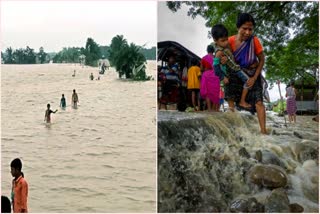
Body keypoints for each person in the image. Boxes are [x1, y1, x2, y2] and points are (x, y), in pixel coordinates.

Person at [223, 13, 267, 134]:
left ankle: (263, 131)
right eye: (244, 28)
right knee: (229, 82)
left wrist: (254, 77)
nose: (248, 32)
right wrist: (224, 76)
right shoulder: (230, 41)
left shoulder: (255, 41)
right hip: (238, 74)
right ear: (238, 27)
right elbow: (227, 61)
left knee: (259, 102)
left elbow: (262, 60)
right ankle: (232, 128)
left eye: (250, 29)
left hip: (253, 73)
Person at [212, 24, 252, 109]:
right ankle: (242, 101)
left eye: (227, 39)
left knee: (247, 84)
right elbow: (215, 67)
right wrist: (223, 77)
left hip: (236, 70)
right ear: (215, 40)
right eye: (223, 41)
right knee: (248, 82)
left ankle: (241, 102)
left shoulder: (225, 46)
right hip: (233, 72)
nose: (226, 42)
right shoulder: (219, 52)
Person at [200, 45, 221, 111]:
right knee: (215, 92)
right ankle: (214, 108)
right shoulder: (216, 58)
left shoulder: (204, 58)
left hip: (206, 76)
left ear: (207, 50)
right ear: (213, 50)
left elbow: (201, 68)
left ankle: (209, 109)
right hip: (215, 75)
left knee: (207, 93)